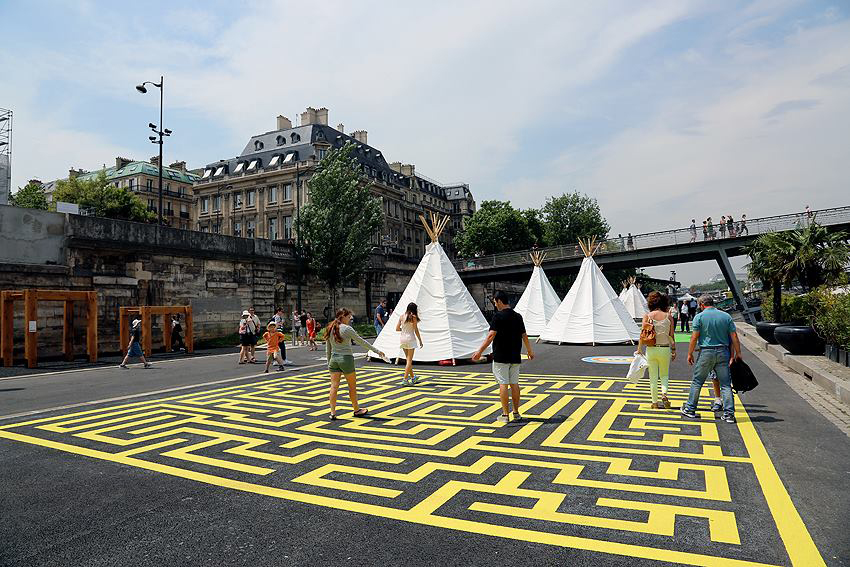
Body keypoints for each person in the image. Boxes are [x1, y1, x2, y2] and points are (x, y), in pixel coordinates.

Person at [472, 291, 535, 423]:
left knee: (503, 384)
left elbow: (490, 336)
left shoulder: (497, 317)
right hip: (515, 356)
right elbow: (524, 335)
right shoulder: (518, 316)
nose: (495, 305)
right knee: (514, 384)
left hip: (501, 356)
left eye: (495, 302)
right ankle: (516, 413)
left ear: (499, 301)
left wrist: (479, 352)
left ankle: (505, 415)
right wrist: (529, 351)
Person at [681, 295, 742, 423]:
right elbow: (734, 336)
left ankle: (690, 408)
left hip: (706, 352)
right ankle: (729, 414)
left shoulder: (700, 317)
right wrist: (738, 353)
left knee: (697, 381)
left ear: (702, 305)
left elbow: (694, 337)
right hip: (723, 352)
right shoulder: (726, 316)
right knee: (725, 384)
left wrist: (690, 353)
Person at [326, 307, 386, 420]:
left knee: (334, 387)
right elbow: (361, 341)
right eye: (348, 317)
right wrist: (377, 351)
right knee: (352, 386)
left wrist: (329, 363)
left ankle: (332, 412)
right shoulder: (347, 329)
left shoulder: (330, 327)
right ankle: (356, 410)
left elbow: (328, 348)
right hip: (346, 359)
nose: (350, 319)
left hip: (334, 360)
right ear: (342, 317)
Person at [637, 292, 676, 409]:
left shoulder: (647, 316)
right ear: (664, 302)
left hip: (651, 349)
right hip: (664, 349)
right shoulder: (668, 316)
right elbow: (672, 336)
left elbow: (642, 335)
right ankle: (664, 394)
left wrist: (639, 349)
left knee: (653, 378)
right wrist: (673, 350)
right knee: (664, 375)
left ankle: (654, 403)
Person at [396, 302, 424, 386]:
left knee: (408, 360)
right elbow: (416, 330)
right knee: (409, 361)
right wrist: (420, 341)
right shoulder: (413, 317)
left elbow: (397, 329)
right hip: (411, 339)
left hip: (402, 339)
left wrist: (404, 330)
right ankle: (405, 379)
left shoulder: (401, 316)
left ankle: (413, 377)